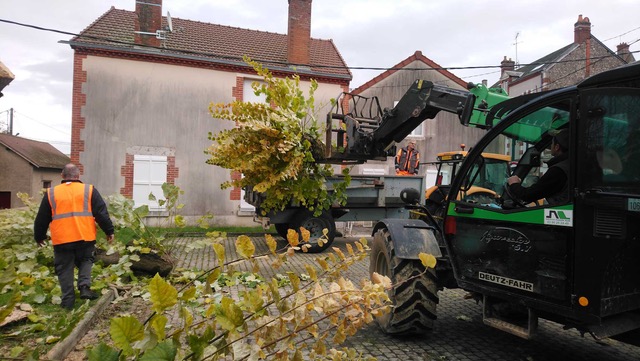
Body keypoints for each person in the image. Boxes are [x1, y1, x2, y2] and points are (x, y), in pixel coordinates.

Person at [34, 163, 115, 310]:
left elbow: (42, 218)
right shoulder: (89, 190)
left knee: (64, 268)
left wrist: (39, 236)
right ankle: (84, 287)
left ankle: (68, 301)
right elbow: (101, 214)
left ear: (62, 176)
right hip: (85, 236)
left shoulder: (51, 193)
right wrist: (109, 231)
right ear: (78, 176)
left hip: (62, 240)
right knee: (86, 260)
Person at [507, 129, 570, 205]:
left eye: (552, 143)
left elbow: (529, 195)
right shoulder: (569, 165)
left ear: (557, 147)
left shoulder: (558, 170)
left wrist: (514, 184)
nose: (550, 146)